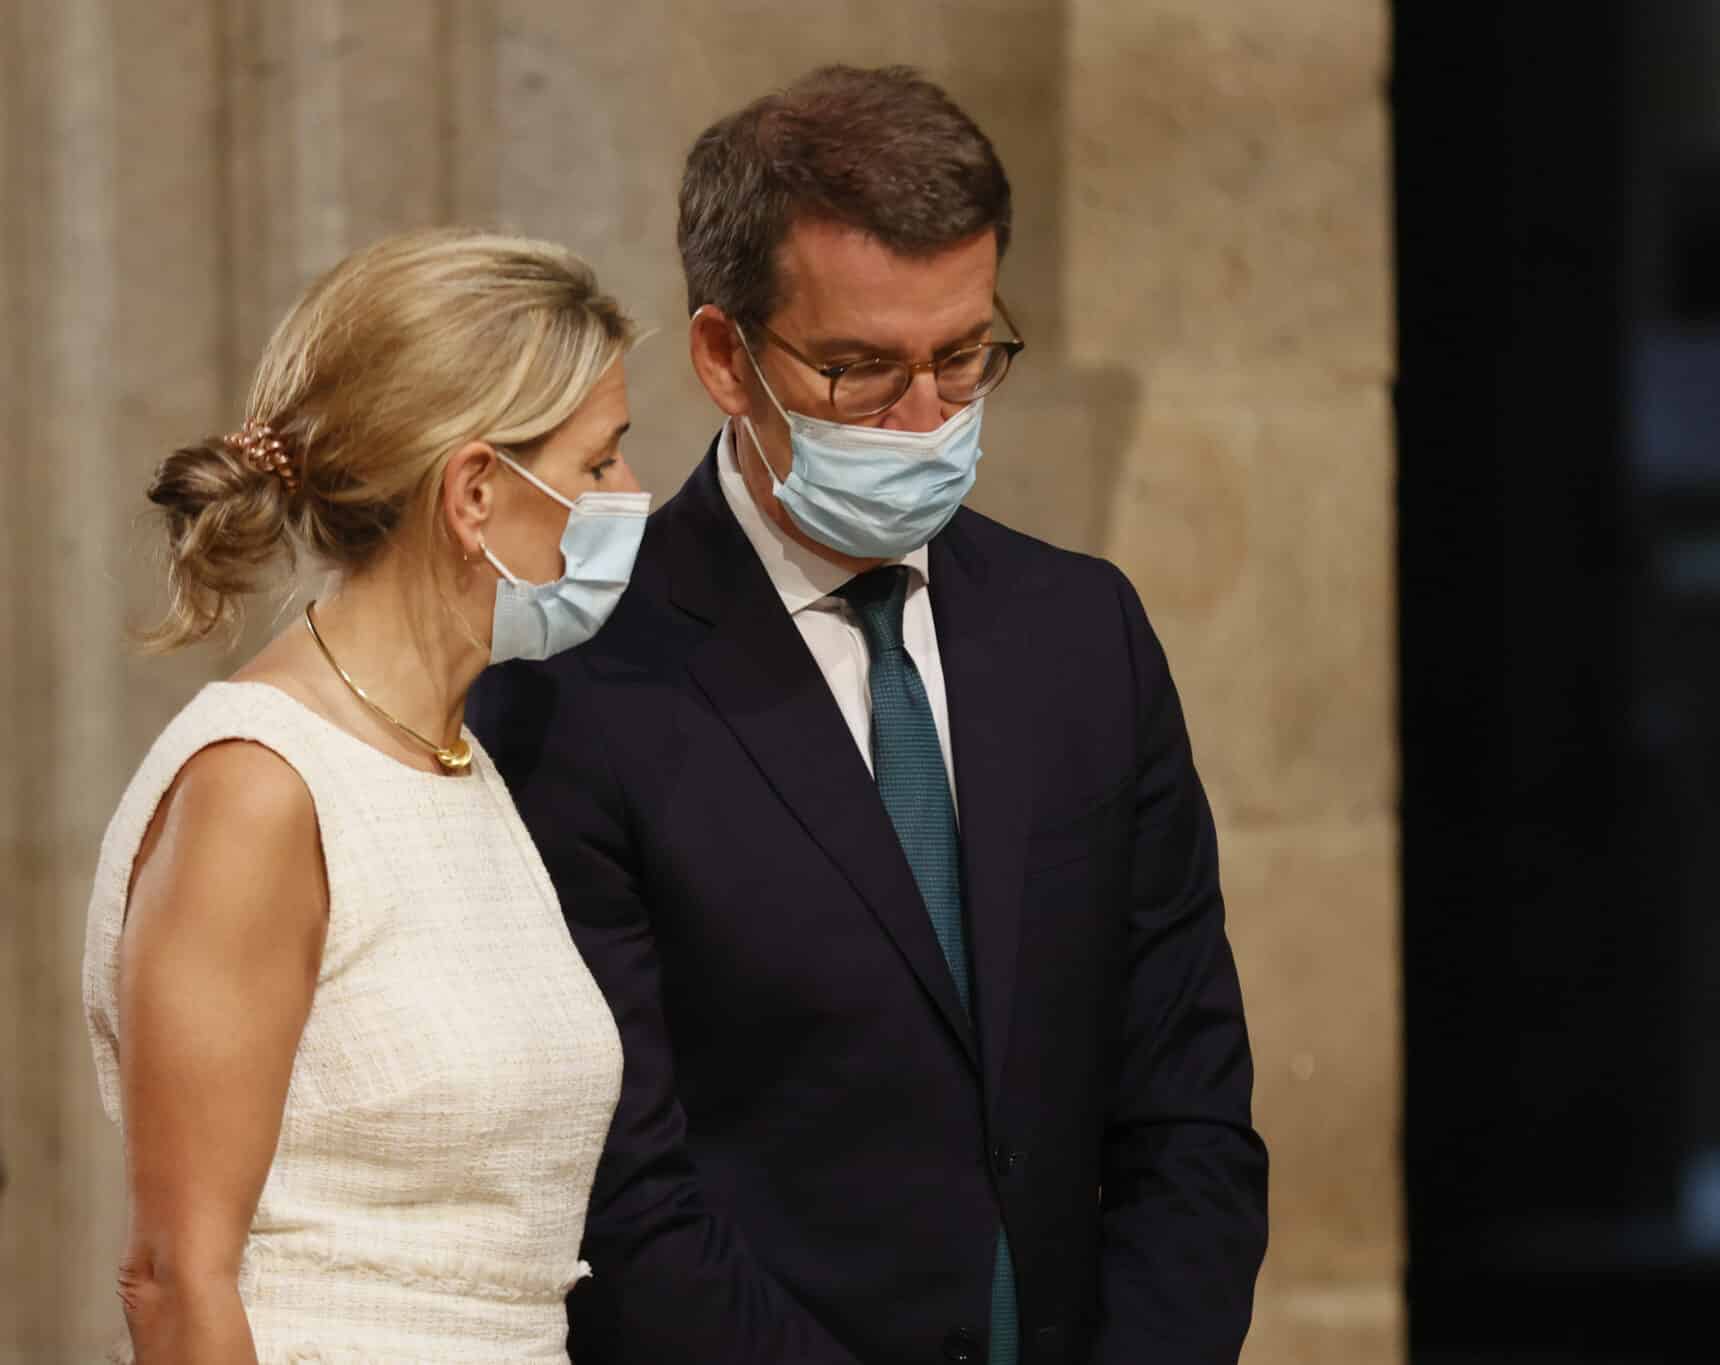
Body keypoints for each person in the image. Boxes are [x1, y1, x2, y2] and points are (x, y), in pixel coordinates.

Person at [469, 65, 1268, 1364]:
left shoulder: (1083, 635)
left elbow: (1187, 1105)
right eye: (858, 370)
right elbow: (625, 1197)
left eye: (963, 357)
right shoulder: (579, 686)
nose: (923, 420)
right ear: (727, 358)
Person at [81, 228, 650, 1363]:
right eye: (599, 464)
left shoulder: (454, 758)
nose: (633, 496)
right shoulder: (260, 785)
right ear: (477, 491)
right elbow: (176, 1280)